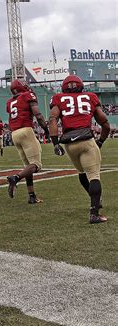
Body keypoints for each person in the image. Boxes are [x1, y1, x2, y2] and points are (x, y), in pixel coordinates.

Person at [49, 75, 109, 224]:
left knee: (82, 173)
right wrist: (100, 141)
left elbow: (52, 120)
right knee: (94, 175)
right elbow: (105, 123)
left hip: (69, 143)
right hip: (86, 139)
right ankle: (94, 213)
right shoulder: (90, 97)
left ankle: (95, 199)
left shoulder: (58, 98)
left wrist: (55, 143)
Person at [5, 79, 49, 204]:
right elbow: (38, 115)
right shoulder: (27, 95)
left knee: (28, 166)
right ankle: (15, 178)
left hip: (14, 134)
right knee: (36, 165)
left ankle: (32, 195)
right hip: (25, 130)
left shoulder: (10, 102)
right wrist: (46, 129)